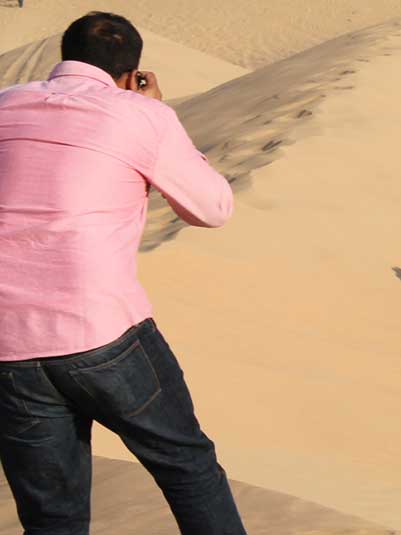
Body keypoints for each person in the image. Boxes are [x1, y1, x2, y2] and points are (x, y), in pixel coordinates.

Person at [0, 12, 245, 534]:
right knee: (188, 467)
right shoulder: (138, 113)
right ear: (132, 72)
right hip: (100, 332)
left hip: (7, 342)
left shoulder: (5, 102)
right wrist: (155, 113)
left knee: (52, 516)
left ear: (61, 57)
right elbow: (212, 208)